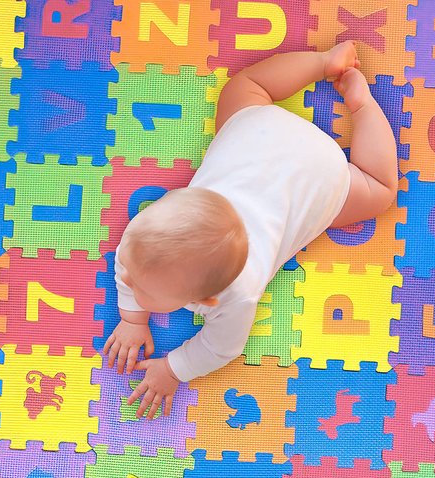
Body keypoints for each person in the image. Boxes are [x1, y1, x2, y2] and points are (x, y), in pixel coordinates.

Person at [103, 40, 398, 420]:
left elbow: (220, 348)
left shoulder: (236, 296)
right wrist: (132, 318)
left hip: (318, 173)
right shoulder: (146, 233)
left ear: (207, 301)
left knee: (378, 189)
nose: (124, 276)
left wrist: (172, 369)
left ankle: (361, 104)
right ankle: (326, 63)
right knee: (246, 87)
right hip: (259, 131)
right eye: (130, 272)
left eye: (140, 290)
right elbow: (133, 258)